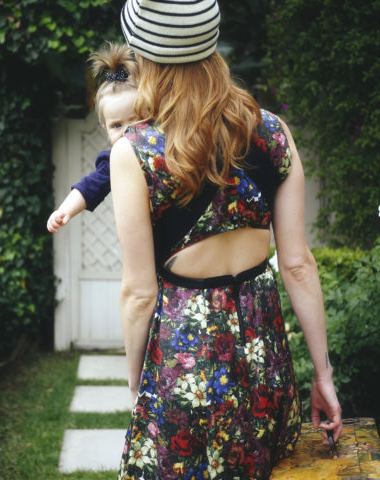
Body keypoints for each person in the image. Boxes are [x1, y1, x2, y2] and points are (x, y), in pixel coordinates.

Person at [111, 1, 343, 479]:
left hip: (185, 371)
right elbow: (297, 264)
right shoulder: (272, 132)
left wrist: (139, 387)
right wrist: (323, 375)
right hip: (266, 368)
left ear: (146, 60)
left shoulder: (135, 151)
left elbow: (139, 294)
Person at [46, 42, 138, 233]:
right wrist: (64, 210)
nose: (127, 130)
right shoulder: (115, 160)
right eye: (117, 125)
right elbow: (89, 187)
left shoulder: (162, 145)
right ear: (106, 128)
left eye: (135, 120)